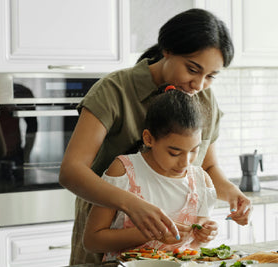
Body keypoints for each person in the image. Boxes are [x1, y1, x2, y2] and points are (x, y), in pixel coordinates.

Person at [59, 8, 252, 265]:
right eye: (192, 69)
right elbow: (71, 171)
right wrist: (131, 204)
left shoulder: (204, 98)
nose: (199, 84)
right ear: (167, 50)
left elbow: (207, 166)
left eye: (210, 76)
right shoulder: (114, 90)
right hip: (108, 238)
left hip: (172, 254)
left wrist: (233, 194)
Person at [83, 88, 217, 260]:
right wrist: (151, 233)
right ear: (148, 138)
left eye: (194, 151)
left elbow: (196, 245)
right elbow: (92, 241)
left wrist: (206, 235)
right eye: (174, 153)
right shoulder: (124, 171)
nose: (185, 162)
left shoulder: (201, 181)